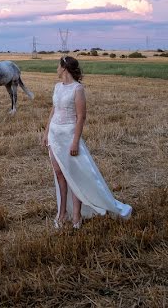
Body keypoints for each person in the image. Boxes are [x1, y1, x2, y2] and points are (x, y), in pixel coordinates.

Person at [41, 56, 132, 229]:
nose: (56, 69)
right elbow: (53, 110)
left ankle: (77, 215)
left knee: (73, 174)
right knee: (59, 174)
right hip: (54, 135)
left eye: (58, 66)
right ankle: (62, 213)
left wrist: (75, 142)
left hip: (69, 135)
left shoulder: (78, 89)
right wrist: (46, 133)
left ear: (64, 68)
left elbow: (81, 117)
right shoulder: (57, 86)